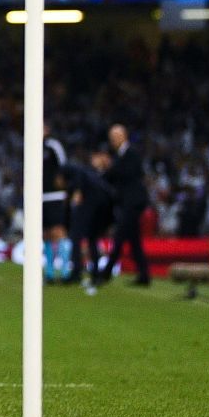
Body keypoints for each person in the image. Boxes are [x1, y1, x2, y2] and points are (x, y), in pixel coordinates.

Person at [101, 123, 151, 286]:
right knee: (133, 239)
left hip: (133, 202)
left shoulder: (131, 154)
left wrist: (108, 168)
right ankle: (144, 275)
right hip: (128, 202)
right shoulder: (120, 156)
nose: (112, 141)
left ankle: (107, 272)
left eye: (114, 138)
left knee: (120, 236)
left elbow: (126, 174)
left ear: (122, 137)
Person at [65, 151, 115, 291]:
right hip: (85, 212)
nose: (96, 159)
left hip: (98, 214)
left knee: (92, 241)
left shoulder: (109, 174)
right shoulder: (87, 172)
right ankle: (77, 271)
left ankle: (94, 273)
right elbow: (77, 191)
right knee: (78, 239)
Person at [41, 123, 69, 283]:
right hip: (40, 197)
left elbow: (63, 165)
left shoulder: (53, 146)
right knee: (45, 234)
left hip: (55, 195)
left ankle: (65, 271)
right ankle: (50, 272)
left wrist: (63, 183)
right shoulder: (33, 146)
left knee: (58, 231)